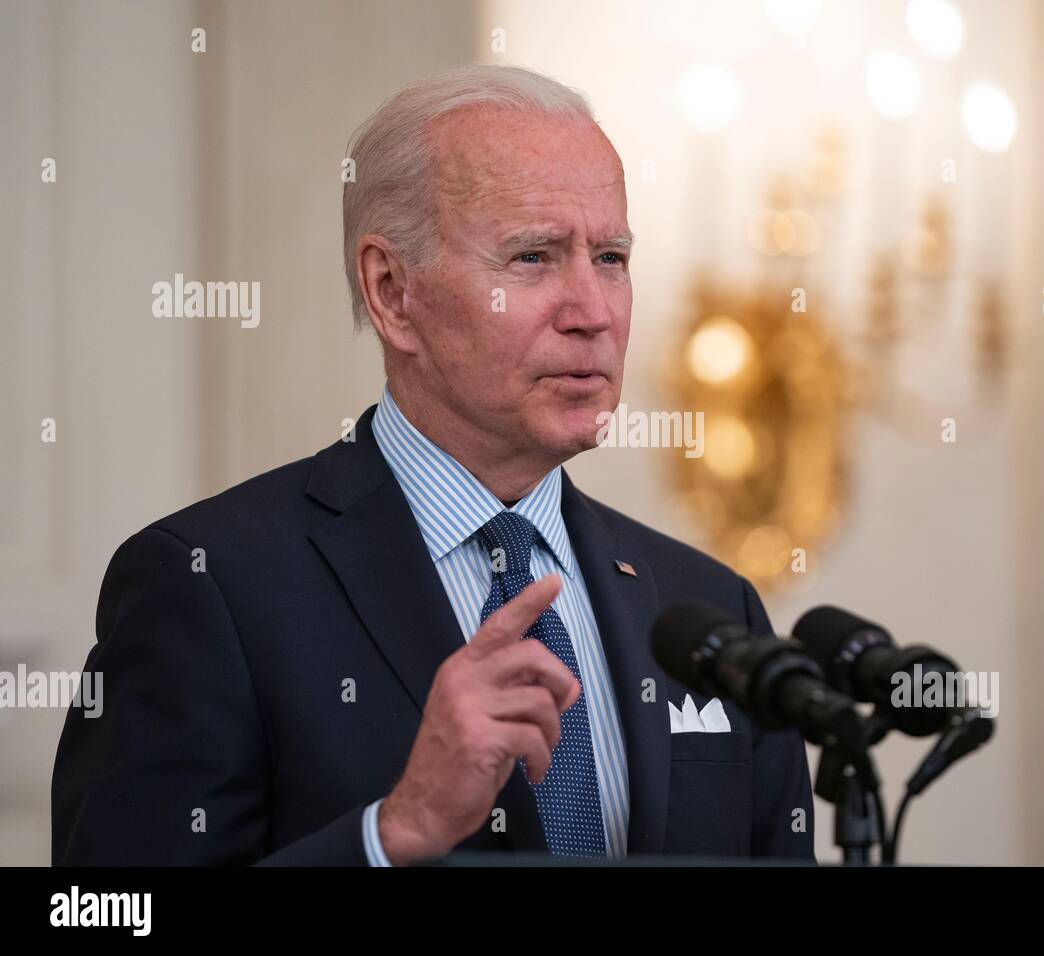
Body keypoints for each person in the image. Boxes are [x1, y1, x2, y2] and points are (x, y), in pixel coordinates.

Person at [51, 65, 814, 866]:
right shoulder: (209, 588)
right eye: (532, 257)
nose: (593, 312)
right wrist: (393, 833)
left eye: (612, 257)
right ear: (391, 292)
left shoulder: (708, 607)